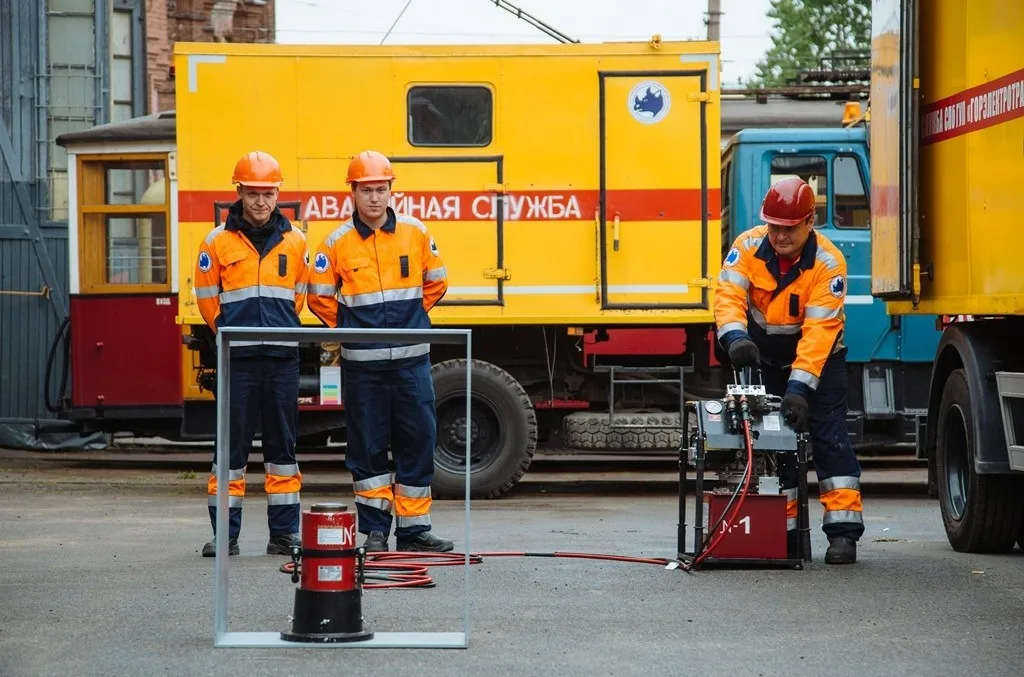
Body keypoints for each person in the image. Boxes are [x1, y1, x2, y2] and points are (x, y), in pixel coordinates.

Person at [307, 150, 452, 553]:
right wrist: (353, 330)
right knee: (367, 449)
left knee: (418, 442)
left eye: (381, 189)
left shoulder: (416, 232)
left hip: (411, 364)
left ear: (392, 191)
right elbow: (319, 298)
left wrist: (410, 317)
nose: (374, 197)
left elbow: (437, 281)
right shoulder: (335, 243)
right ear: (352, 192)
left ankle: (414, 530)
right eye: (366, 190)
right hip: (364, 370)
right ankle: (375, 530)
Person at [713, 176, 863, 565]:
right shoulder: (745, 247)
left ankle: (843, 534)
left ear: (809, 221)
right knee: (774, 446)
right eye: (774, 226)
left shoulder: (828, 263)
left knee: (829, 439)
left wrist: (799, 389)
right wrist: (735, 339)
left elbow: (818, 335)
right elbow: (728, 297)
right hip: (764, 358)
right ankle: (786, 533)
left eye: (789, 228)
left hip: (820, 361)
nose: (780, 235)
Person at [193, 150, 309, 557]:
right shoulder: (216, 242)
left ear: (278, 194)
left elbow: (299, 296)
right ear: (239, 192)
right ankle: (225, 536)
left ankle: (283, 535)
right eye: (254, 193)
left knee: (283, 452)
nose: (262, 202)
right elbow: (207, 299)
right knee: (230, 452)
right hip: (237, 361)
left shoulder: (296, 242)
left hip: (281, 360)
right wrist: (228, 333)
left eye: (269, 193)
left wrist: (276, 331)